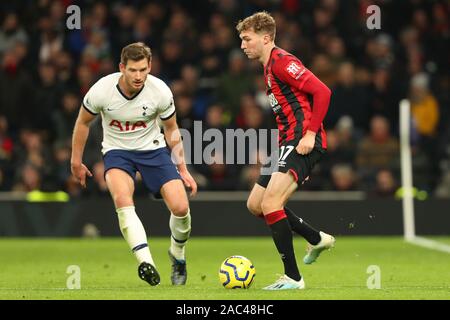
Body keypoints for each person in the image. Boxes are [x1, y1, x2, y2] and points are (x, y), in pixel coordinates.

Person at [71, 42, 197, 286]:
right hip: (118, 152)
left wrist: (182, 168)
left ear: (149, 66)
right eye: (133, 70)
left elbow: (171, 129)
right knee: (122, 199)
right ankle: (145, 262)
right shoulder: (101, 91)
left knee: (181, 208)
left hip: (153, 150)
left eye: (143, 69)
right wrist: (76, 161)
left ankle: (178, 256)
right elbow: (82, 123)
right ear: (122, 68)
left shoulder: (160, 91)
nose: (138, 76)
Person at [236, 12, 335, 290]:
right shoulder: (268, 67)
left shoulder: (283, 63)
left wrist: (312, 133)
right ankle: (316, 239)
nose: (243, 45)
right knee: (256, 205)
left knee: (271, 204)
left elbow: (323, 92)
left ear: (266, 38)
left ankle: (293, 277)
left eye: (247, 39)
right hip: (286, 142)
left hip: (303, 141)